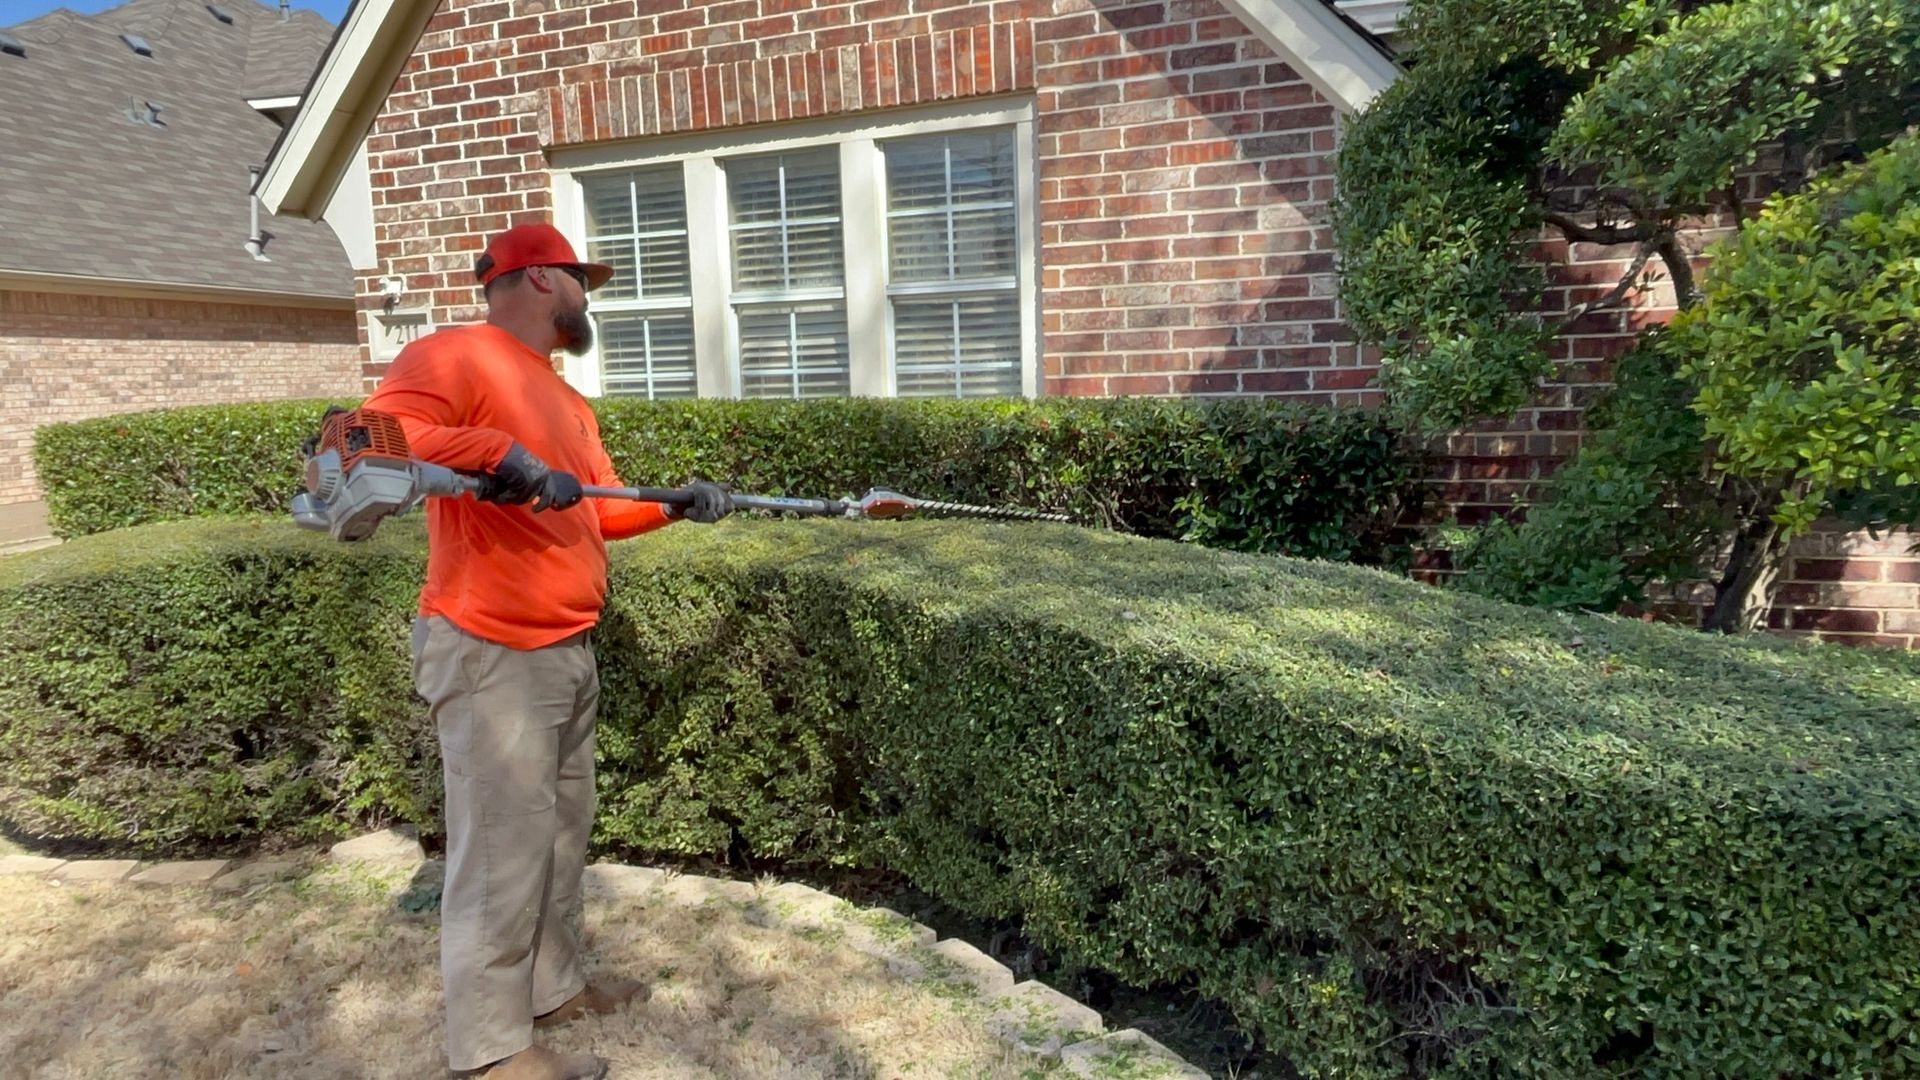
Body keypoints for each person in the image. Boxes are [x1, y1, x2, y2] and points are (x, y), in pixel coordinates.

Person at [362, 221, 734, 1080]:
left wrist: (675, 503)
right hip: (492, 649)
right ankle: (491, 1051)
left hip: (565, 645)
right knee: (502, 849)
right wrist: (499, 454)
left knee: (561, 835)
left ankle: (553, 989)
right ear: (539, 280)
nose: (586, 293)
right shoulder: (456, 355)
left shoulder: (565, 399)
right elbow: (375, 435)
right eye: (578, 277)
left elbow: (593, 510)